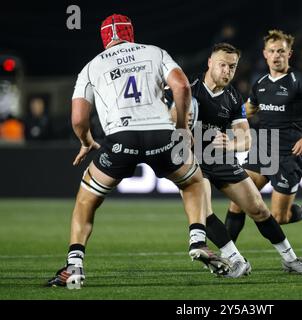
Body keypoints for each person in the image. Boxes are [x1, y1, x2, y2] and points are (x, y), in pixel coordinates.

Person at [47, 14, 229, 288]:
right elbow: (180, 87)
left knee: (86, 200)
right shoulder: (155, 53)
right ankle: (197, 240)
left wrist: (86, 141)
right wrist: (181, 128)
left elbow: (77, 119)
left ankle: (74, 266)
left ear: (105, 39)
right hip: (161, 135)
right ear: (130, 33)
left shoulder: (91, 67)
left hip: (121, 138)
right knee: (193, 182)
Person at [171, 42, 302, 275]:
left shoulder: (233, 96)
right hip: (192, 162)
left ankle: (290, 260)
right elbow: (170, 121)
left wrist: (231, 143)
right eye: (222, 65)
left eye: (232, 67)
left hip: (220, 159)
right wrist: (181, 127)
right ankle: (236, 259)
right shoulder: (189, 90)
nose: (227, 71)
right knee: (204, 212)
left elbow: (246, 139)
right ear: (210, 63)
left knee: (259, 209)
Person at [225, 30, 302, 242]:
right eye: (272, 51)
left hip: (289, 154)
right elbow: (248, 110)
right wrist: (222, 118)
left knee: (279, 216)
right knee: (238, 201)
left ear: (289, 54)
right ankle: (227, 256)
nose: (276, 55)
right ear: (265, 54)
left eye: (281, 51)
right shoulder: (260, 83)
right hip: (263, 150)